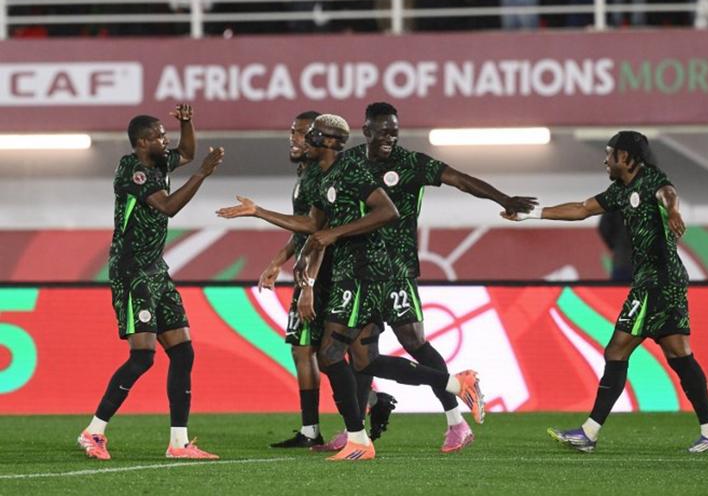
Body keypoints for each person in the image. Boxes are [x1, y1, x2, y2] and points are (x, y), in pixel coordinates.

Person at [217, 114, 485, 462]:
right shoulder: (317, 177)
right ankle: (453, 386)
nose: (303, 140)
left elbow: (387, 212)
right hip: (349, 271)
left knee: (332, 354)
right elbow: (311, 226)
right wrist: (259, 212)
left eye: (310, 135)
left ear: (328, 141)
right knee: (363, 360)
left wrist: (333, 237)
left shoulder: (351, 170)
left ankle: (360, 437)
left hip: (366, 270)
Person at [503, 131, 708, 454]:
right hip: (664, 283)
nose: (604, 160)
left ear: (627, 157)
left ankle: (589, 433)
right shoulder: (621, 191)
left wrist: (674, 211)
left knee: (617, 350)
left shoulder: (651, 180)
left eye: (609, 154)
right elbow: (582, 209)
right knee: (679, 355)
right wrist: (533, 214)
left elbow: (667, 193)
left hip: (656, 283)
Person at [339, 101, 536, 453]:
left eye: (394, 132)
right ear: (367, 130)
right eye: (383, 131)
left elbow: (459, 179)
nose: (390, 138)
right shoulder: (350, 162)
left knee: (414, 343)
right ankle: (356, 432)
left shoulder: (411, 163)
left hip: (397, 271)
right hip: (360, 271)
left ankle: (456, 422)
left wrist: (502, 198)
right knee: (360, 352)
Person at [78, 105, 225, 461]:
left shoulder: (159, 163)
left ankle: (178, 443)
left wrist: (187, 122)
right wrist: (202, 175)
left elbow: (187, 152)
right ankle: (93, 432)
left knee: (183, 352)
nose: (166, 140)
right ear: (143, 142)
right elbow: (169, 206)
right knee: (143, 356)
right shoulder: (134, 170)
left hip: (156, 269)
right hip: (132, 272)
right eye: (160, 136)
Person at [257, 111, 396, 449]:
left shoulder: (324, 176)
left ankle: (322, 429)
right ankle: (365, 410)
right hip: (319, 268)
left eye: (302, 134)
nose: (297, 140)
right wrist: (277, 262)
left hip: (325, 273)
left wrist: (306, 284)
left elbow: (316, 231)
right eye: (294, 133)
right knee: (322, 351)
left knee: (313, 350)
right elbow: (307, 229)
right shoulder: (310, 177)